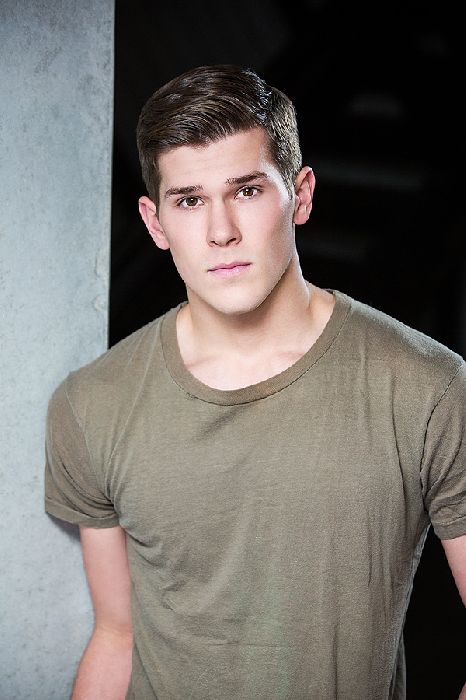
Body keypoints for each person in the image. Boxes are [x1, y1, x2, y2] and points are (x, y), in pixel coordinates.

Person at [44, 64, 466, 700]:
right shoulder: (91, 405)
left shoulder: (426, 388)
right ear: (155, 222)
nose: (221, 232)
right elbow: (116, 636)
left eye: (246, 190)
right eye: (189, 201)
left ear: (301, 195)